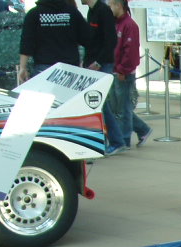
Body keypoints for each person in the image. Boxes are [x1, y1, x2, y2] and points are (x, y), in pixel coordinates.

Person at [83, 0, 127, 155]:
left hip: (102, 64)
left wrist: (98, 62)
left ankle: (116, 141)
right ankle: (114, 138)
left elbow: (111, 41)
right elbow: (91, 40)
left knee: (100, 103)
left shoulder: (103, 11)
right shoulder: (91, 11)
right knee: (100, 103)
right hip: (93, 64)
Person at [109, 0, 152, 147]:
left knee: (123, 109)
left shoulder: (130, 25)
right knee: (118, 108)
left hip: (124, 73)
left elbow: (130, 52)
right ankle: (143, 129)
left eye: (110, 5)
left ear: (118, 5)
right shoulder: (117, 24)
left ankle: (124, 139)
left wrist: (122, 70)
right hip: (116, 70)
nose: (109, 8)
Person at [17, 0, 91, 84]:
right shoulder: (72, 12)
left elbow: (27, 42)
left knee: (45, 96)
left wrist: (23, 67)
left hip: (44, 66)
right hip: (70, 67)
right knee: (68, 96)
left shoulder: (34, 14)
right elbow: (87, 39)